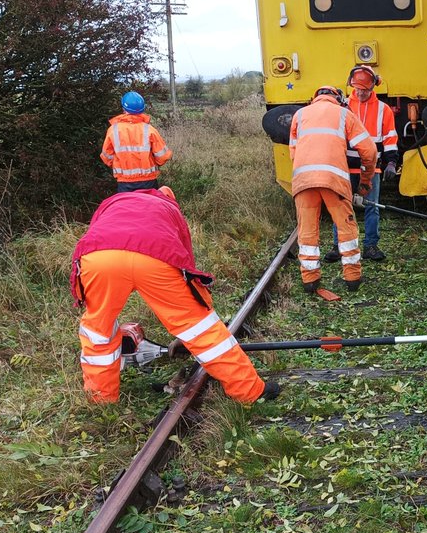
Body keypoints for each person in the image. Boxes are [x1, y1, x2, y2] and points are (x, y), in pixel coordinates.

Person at [70, 186, 274, 405]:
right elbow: (185, 262)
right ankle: (250, 392)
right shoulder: (168, 207)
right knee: (200, 327)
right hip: (154, 255)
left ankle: (101, 401)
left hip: (98, 257)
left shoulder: (113, 201)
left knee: (98, 332)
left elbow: (96, 232)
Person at [289, 86, 377, 293]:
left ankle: (310, 279)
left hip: (304, 181)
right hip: (333, 180)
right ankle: (352, 278)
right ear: (338, 98)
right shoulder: (344, 114)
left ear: (316, 97)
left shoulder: (299, 115)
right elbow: (369, 150)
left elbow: (294, 151)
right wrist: (365, 180)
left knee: (307, 230)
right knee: (346, 227)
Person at [326, 65, 398, 263]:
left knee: (371, 207)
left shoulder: (384, 110)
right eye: (357, 88)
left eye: (364, 90)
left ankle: (371, 246)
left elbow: (390, 139)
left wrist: (391, 163)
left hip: (371, 167)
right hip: (345, 167)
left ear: (373, 87)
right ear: (351, 86)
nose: (360, 93)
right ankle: (338, 245)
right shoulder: (344, 108)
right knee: (340, 206)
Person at [100, 91, 172, 192]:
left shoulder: (113, 130)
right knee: (151, 208)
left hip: (124, 183)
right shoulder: (150, 130)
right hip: (148, 182)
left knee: (127, 208)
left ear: (124, 108)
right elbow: (162, 157)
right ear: (142, 110)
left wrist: (121, 164)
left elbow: (107, 157)